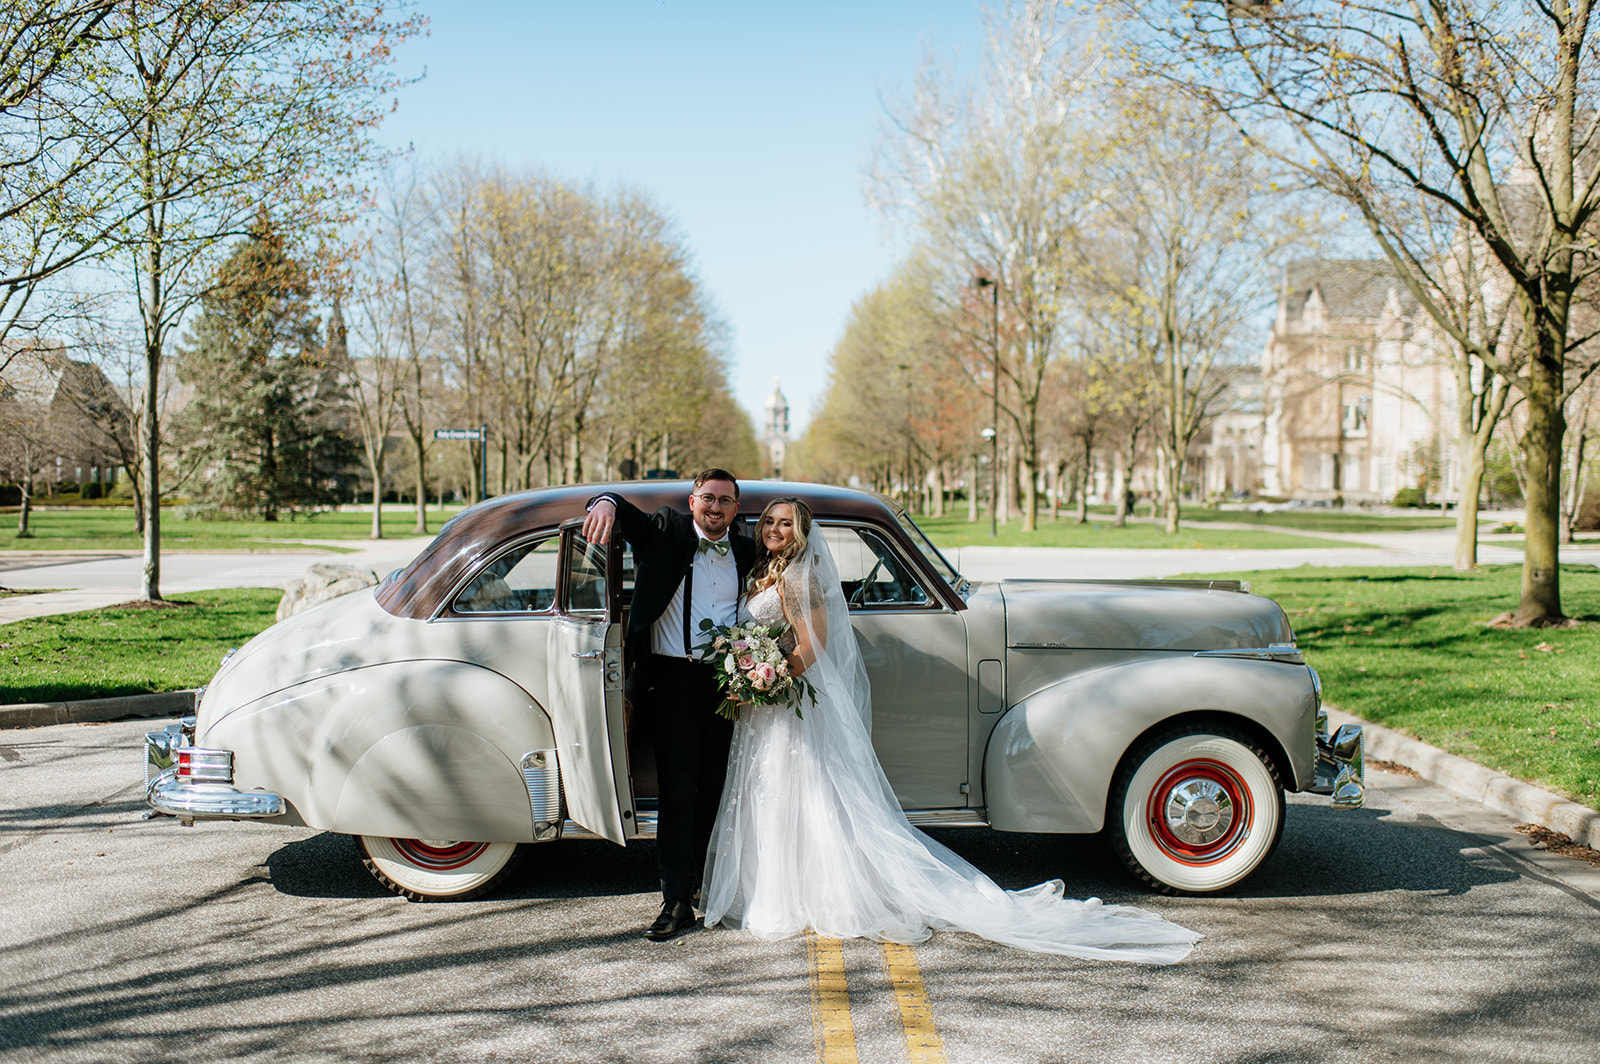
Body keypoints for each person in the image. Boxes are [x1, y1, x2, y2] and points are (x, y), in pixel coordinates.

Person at [700, 497, 1201, 963]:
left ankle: (811, 890)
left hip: (779, 700)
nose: (774, 529)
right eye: (768, 521)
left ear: (804, 531)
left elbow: (812, 646)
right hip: (772, 706)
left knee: (804, 794)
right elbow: (796, 642)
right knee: (778, 794)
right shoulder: (770, 572)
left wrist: (767, 678)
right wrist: (758, 678)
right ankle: (785, 889)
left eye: (785, 523)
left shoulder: (798, 577)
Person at [583, 469, 758, 942]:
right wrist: (604, 501)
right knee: (678, 792)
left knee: (716, 789)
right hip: (671, 680)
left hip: (728, 683)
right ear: (693, 500)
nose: (715, 507)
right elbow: (627, 516)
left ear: (736, 508)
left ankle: (703, 883)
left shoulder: (745, 550)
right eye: (708, 498)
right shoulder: (667, 530)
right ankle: (675, 902)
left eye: (725, 500)